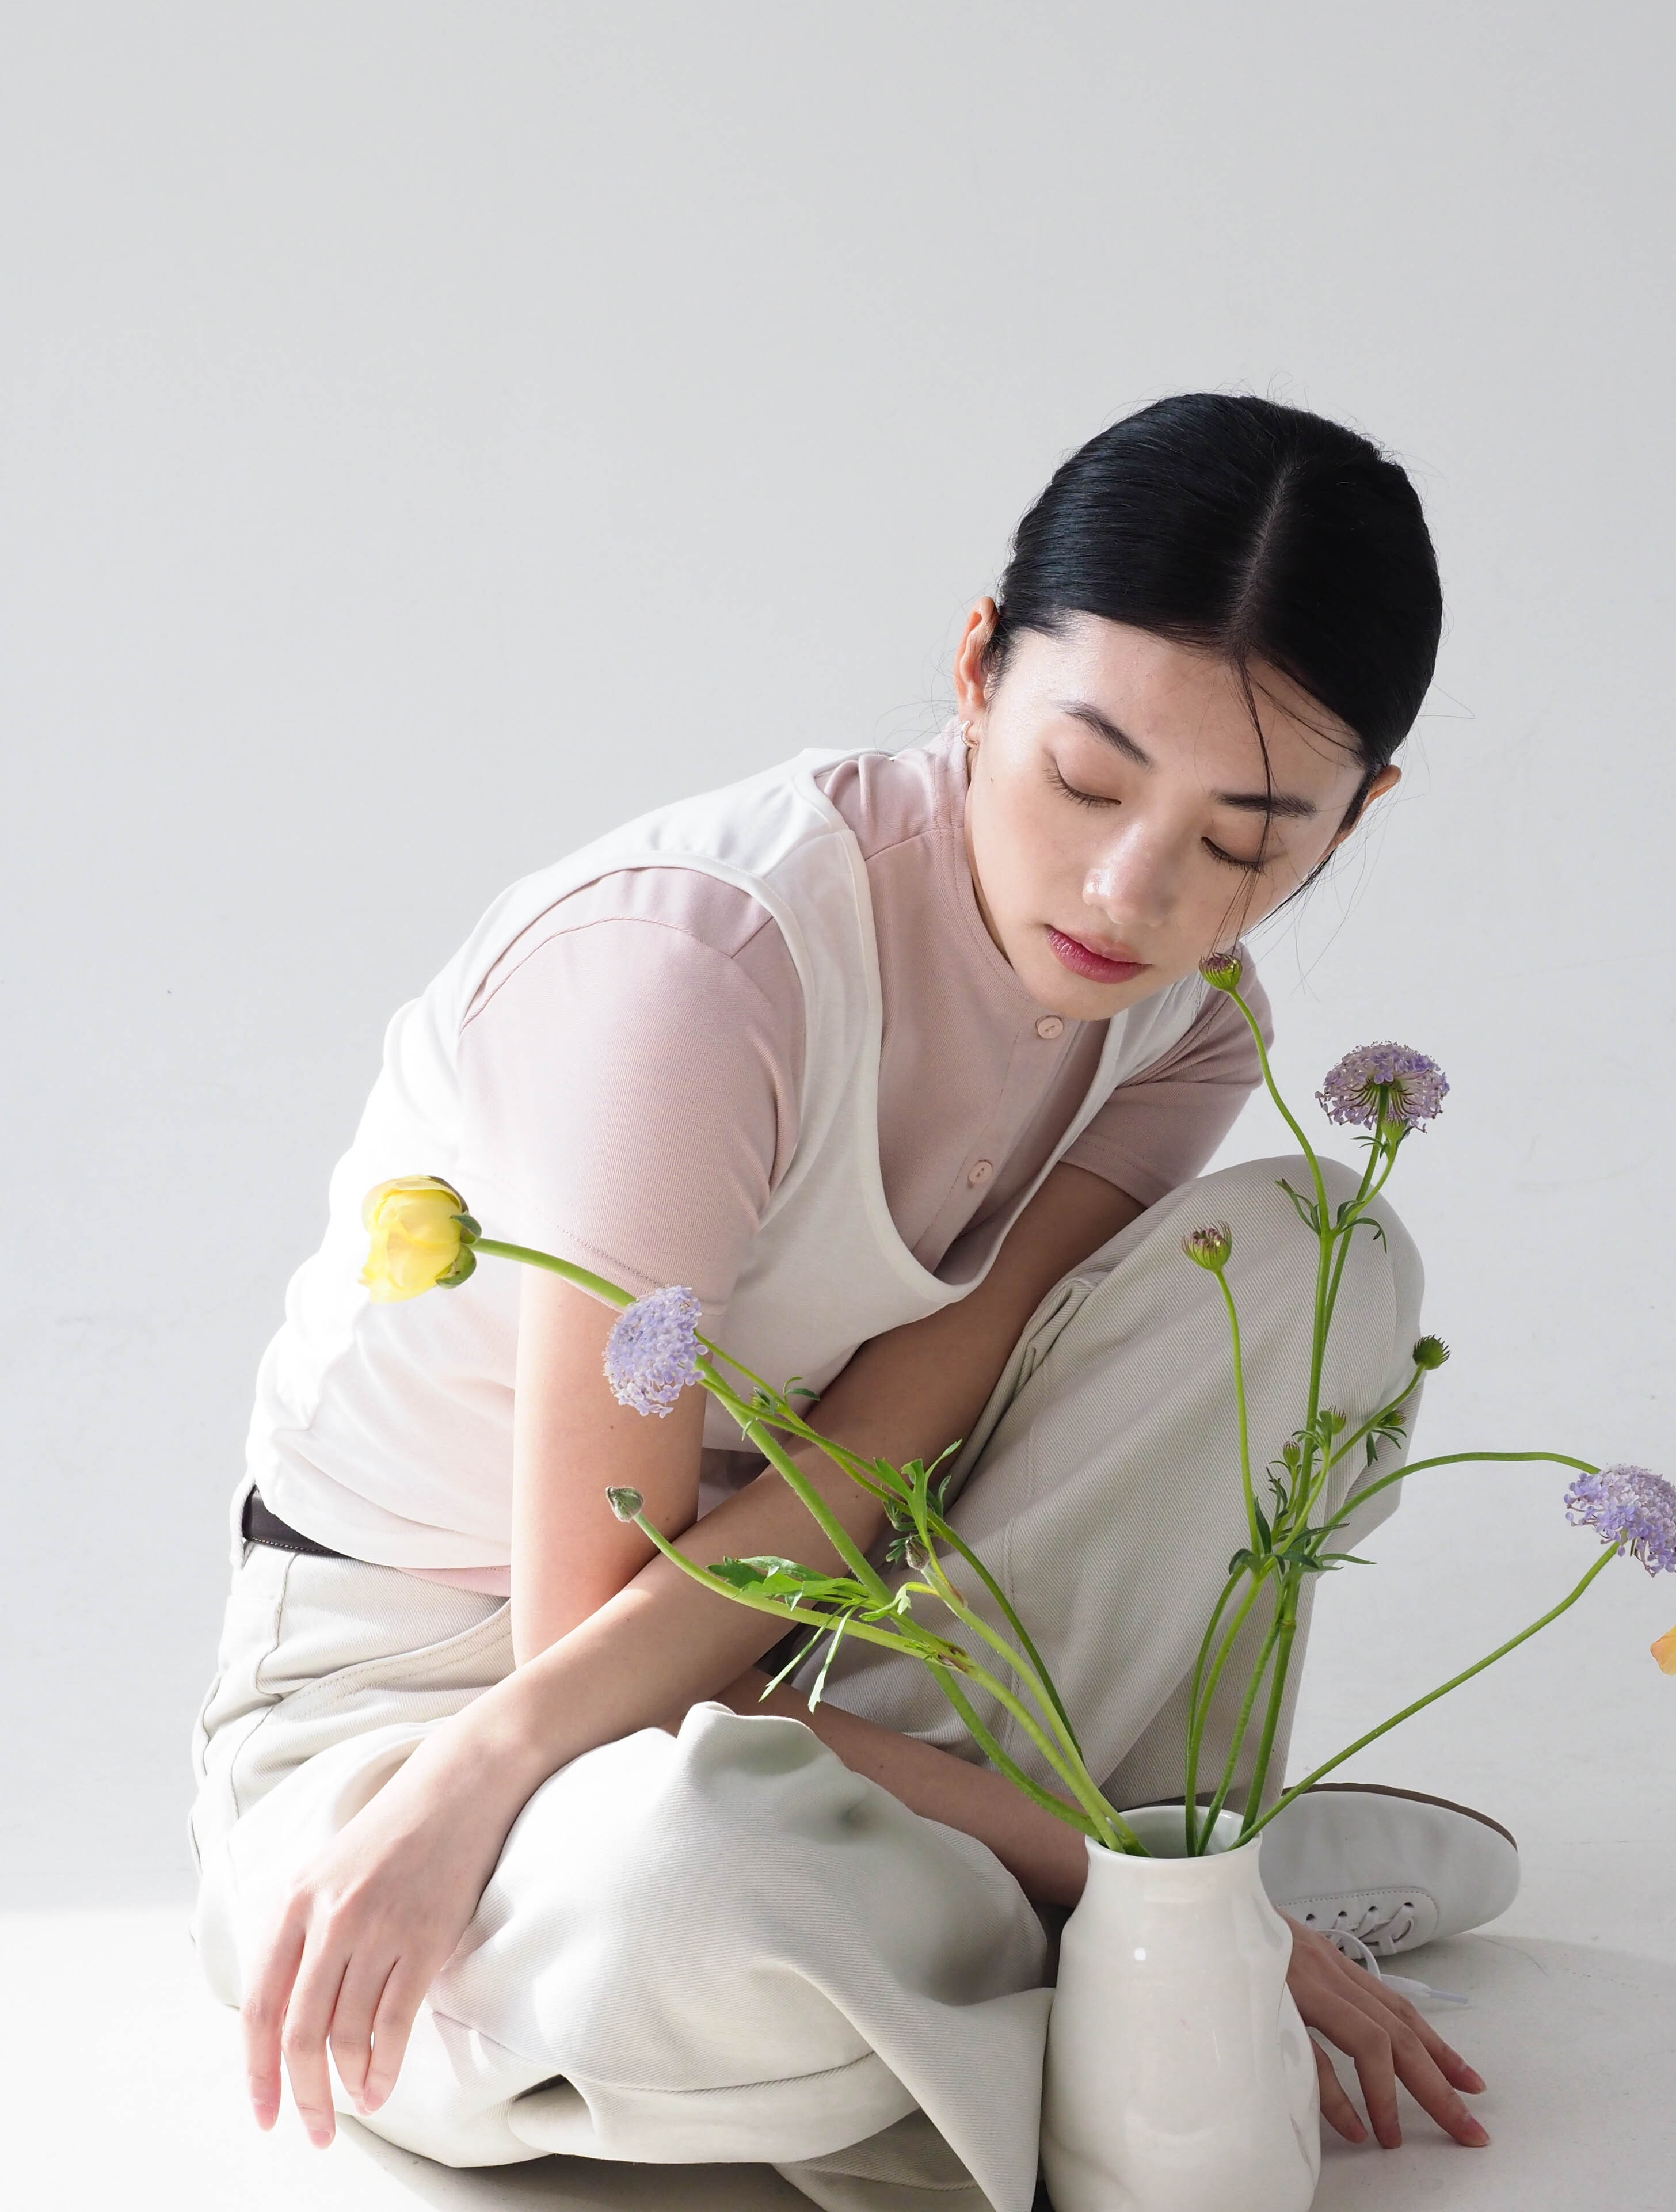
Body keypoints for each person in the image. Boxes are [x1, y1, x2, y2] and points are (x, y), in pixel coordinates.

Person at [189, 394, 1515, 2212]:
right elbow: (585, 1681)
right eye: (1088, 778)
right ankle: (1172, 1916)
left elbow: (886, 1458)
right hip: (441, 1721)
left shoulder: (1189, 1029)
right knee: (686, 1898)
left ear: (1357, 816)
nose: (1134, 892)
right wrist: (1095, 1869)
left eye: (1245, 838)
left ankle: (1045, 1912)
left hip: (786, 1647)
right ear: (978, 667)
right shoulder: (703, 964)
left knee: (1316, 1257)